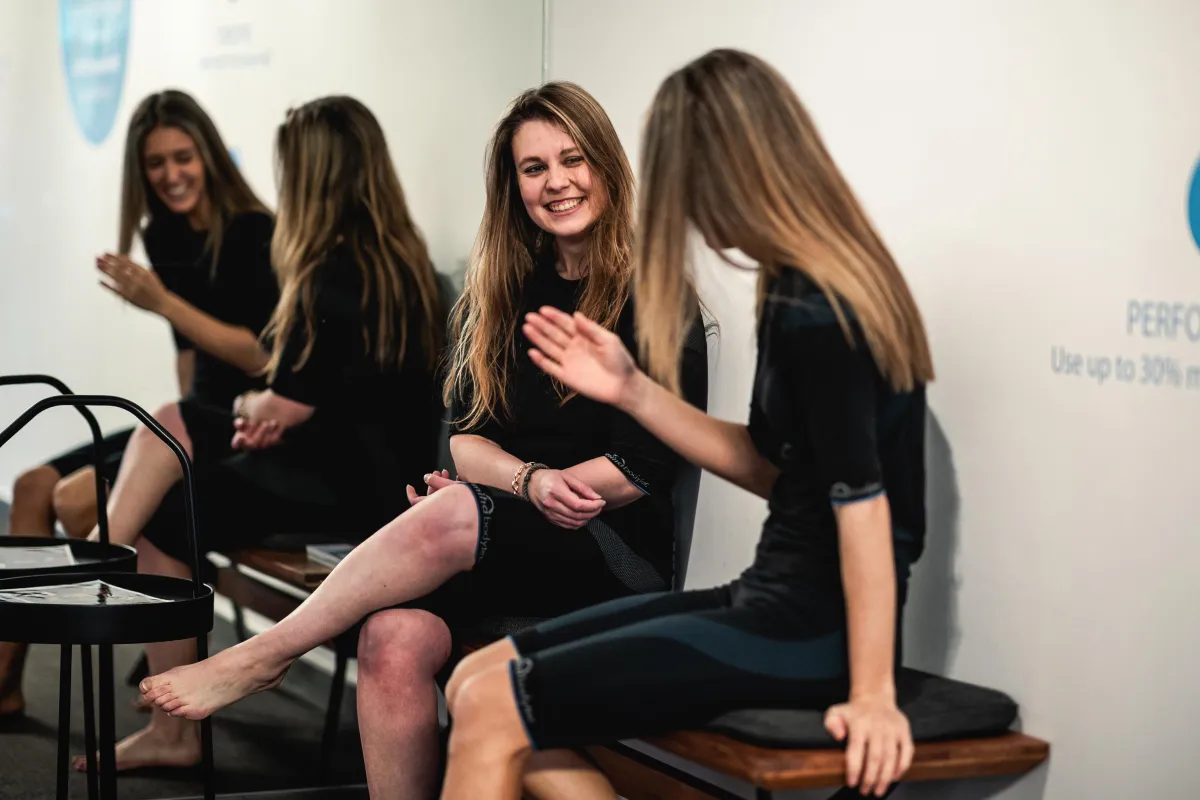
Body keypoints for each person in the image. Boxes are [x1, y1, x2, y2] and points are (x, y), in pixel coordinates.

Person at [139, 81, 707, 799]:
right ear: (513, 186)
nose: (557, 182)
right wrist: (513, 489)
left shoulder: (655, 296)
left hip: (613, 552)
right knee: (391, 638)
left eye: (573, 160)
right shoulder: (498, 294)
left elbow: (638, 470)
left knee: (455, 509)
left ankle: (262, 656)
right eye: (534, 168)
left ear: (607, 166)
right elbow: (468, 442)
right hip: (514, 541)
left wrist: (502, 497)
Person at [438, 49, 937, 800]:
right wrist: (635, 392)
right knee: (474, 680)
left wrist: (872, 694)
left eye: (686, 177)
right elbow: (773, 470)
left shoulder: (819, 307)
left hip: (808, 628)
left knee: (489, 702)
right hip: (770, 597)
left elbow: (865, 508)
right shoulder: (792, 283)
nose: (684, 205)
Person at [72, 94, 445, 772]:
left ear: (313, 175)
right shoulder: (395, 259)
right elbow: (315, 397)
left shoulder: (331, 272)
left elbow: (282, 398)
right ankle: (99, 565)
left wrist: (252, 407)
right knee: (174, 429)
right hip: (356, 470)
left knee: (169, 504)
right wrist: (266, 412)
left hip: (351, 492)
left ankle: (112, 602)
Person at [0, 88, 276, 721]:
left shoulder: (254, 232)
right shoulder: (164, 234)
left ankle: (123, 625)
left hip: (237, 423)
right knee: (32, 483)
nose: (171, 174)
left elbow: (260, 357)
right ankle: (6, 681)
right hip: (191, 412)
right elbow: (188, 353)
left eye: (183, 158)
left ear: (208, 156)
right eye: (156, 163)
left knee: (78, 500)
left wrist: (163, 302)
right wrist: (162, 434)